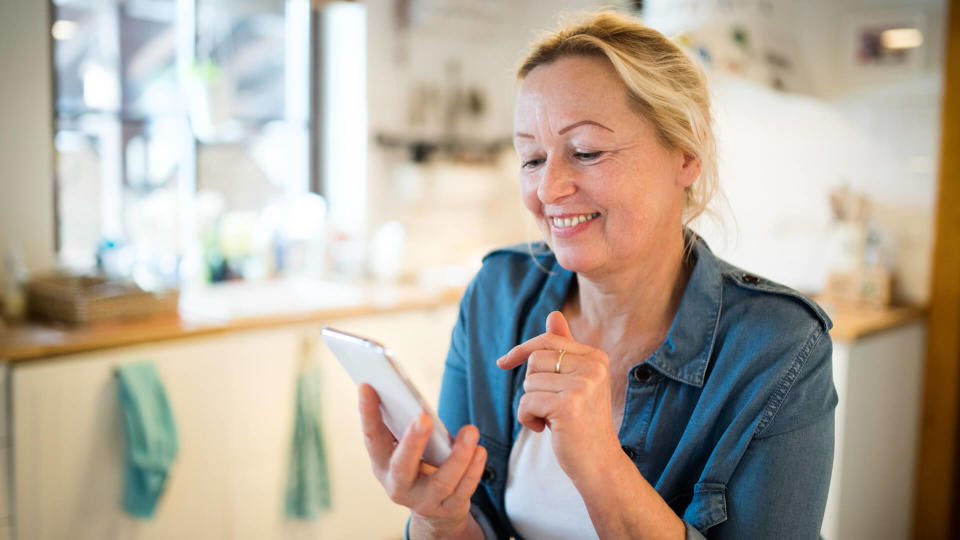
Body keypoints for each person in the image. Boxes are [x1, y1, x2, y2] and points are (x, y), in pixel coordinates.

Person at [358, 10, 837, 540]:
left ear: (685, 155)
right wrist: (438, 517)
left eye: (585, 152)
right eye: (532, 158)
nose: (548, 188)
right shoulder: (497, 294)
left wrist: (601, 466)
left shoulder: (779, 349)